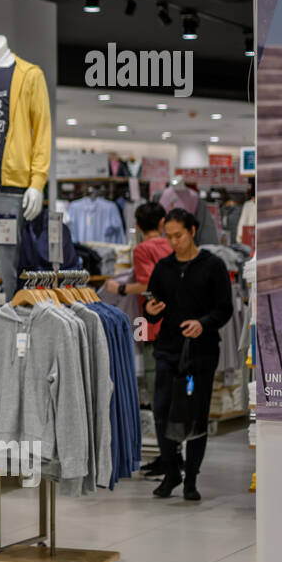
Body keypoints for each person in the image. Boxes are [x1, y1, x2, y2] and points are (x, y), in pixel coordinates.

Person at [142, 208, 233, 501]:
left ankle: (192, 478)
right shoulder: (164, 267)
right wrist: (150, 311)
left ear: (192, 231)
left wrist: (202, 324)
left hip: (201, 353)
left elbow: (224, 309)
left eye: (178, 235)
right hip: (167, 351)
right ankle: (172, 473)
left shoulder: (213, 265)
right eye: (169, 236)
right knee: (161, 411)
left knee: (196, 415)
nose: (173, 241)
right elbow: (151, 306)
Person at [104, 201, 173, 473]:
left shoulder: (143, 249)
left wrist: (119, 288)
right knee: (169, 393)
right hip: (173, 323)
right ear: (161, 223)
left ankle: (167, 458)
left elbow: (146, 285)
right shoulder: (170, 245)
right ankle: (171, 454)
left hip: (152, 325)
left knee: (157, 393)